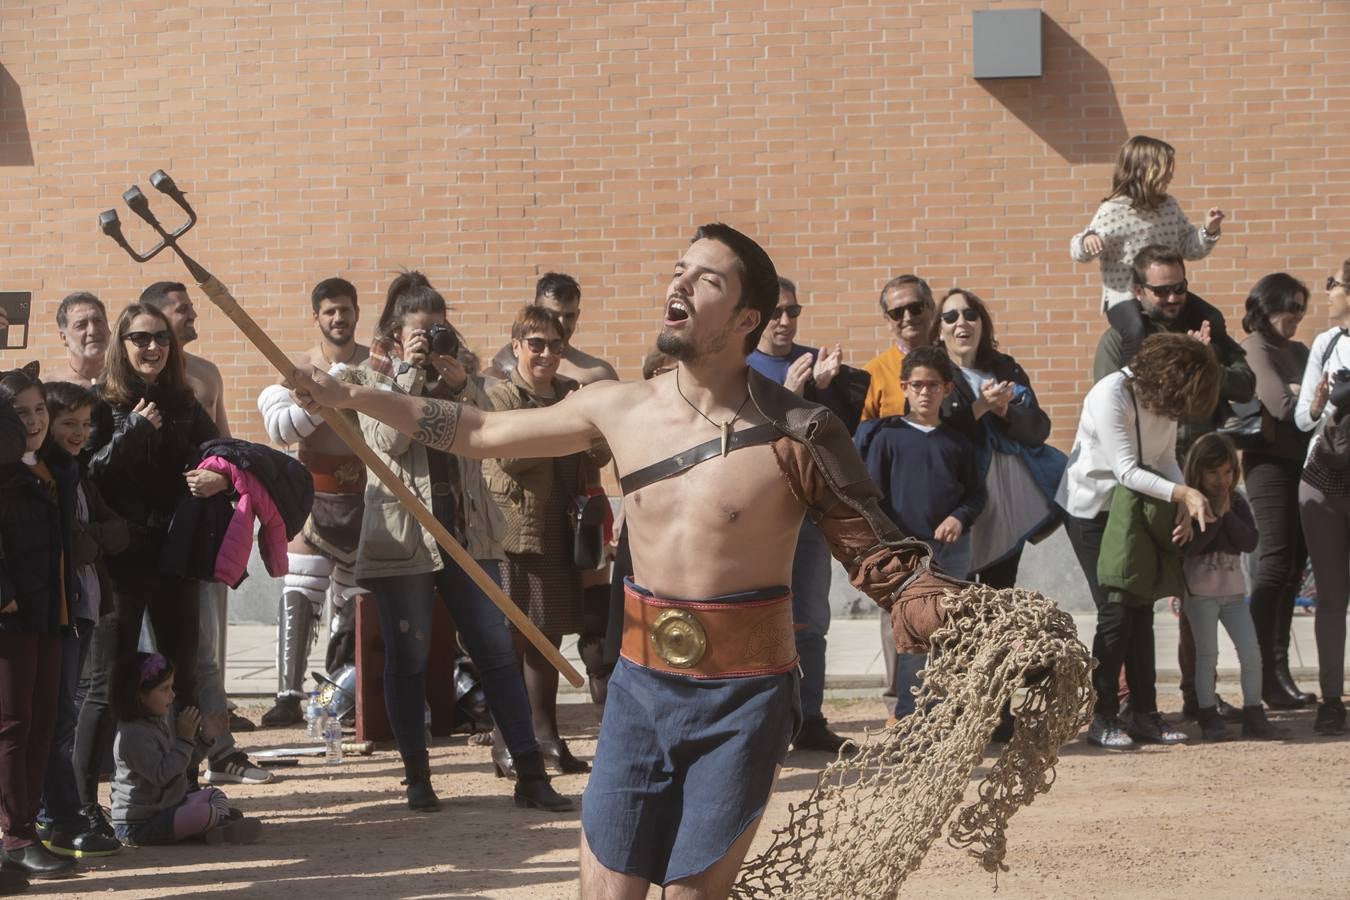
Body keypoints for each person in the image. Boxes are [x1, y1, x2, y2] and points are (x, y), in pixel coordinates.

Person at [287, 223, 959, 896]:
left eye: (707, 279)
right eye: (678, 270)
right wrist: (352, 396)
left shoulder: (802, 433)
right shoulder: (616, 407)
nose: (679, 284)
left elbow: (881, 559)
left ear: (747, 317)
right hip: (639, 690)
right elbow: (480, 430)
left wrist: (952, 615)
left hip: (746, 698)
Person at [354, 272, 570, 813]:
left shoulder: (462, 376)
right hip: (404, 539)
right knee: (409, 655)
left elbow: (483, 431)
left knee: (497, 651)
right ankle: (417, 779)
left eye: (440, 329)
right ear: (395, 334)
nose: (433, 340)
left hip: (470, 533)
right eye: (421, 332)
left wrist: (456, 386)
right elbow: (389, 440)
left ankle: (529, 774)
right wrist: (407, 372)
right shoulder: (370, 375)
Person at [1093, 244, 1256, 720]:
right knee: (1133, 590)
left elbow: (1245, 383)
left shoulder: (1207, 324)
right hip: (1143, 481)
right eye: (1161, 290)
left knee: (1194, 591)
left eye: (1179, 287)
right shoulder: (1121, 338)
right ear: (1138, 290)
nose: (1172, 298)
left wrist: (1208, 365)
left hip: (1194, 471)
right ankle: (1123, 698)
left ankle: (1196, 692)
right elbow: (1115, 407)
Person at [1057, 333, 1220, 749]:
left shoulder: (1166, 400)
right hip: (1094, 512)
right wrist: (1182, 495)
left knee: (1142, 609)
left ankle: (1145, 713)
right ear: (1168, 377)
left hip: (1137, 511)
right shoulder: (1110, 393)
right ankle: (1102, 714)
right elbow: (1127, 470)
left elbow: (1165, 459)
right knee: (1115, 611)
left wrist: (1181, 500)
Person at [139, 282, 270, 784]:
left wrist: (227, 485)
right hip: (153, 537)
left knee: (210, 647)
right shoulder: (131, 382)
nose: (193, 317)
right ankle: (165, 755)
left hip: (202, 531)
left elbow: (226, 447)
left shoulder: (205, 374)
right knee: (157, 649)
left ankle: (223, 751)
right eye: (183, 310)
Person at [86, 303, 220, 790]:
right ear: (122, 346)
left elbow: (217, 454)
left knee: (181, 670)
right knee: (109, 679)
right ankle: (87, 800)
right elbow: (89, 474)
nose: (153, 347)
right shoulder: (101, 402)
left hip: (173, 556)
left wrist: (216, 476)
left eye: (162, 338)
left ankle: (182, 782)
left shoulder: (183, 401)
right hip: (120, 561)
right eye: (141, 338)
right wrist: (133, 433)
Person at [485, 274, 619, 706]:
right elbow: (503, 453)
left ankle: (582, 720)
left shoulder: (592, 375)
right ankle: (518, 729)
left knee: (585, 620)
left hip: (580, 514)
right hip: (521, 521)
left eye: (568, 319)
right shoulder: (499, 379)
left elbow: (602, 453)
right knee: (521, 631)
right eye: (541, 336)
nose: (554, 337)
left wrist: (588, 427)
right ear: (519, 341)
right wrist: (568, 421)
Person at [256, 277, 371, 727]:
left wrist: (346, 386)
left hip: (369, 502)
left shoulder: (376, 367)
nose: (338, 318)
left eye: (345, 309)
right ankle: (287, 695)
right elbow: (280, 430)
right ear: (317, 317)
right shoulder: (298, 369)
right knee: (299, 593)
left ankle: (336, 696)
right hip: (314, 501)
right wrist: (322, 395)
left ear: (357, 312)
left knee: (356, 610)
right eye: (329, 311)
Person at [746, 277, 853, 754]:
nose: (786, 321)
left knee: (810, 620)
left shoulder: (814, 361)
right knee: (757, 620)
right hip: (758, 517)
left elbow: (838, 436)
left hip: (808, 516)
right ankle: (762, 723)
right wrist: (788, 392)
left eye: (794, 312)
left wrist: (828, 390)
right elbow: (746, 440)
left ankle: (808, 717)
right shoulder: (739, 364)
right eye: (778, 313)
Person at [855, 345, 985, 722]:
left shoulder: (959, 440)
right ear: (904, 387)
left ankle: (945, 714)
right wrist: (891, 545)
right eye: (917, 385)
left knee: (951, 627)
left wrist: (960, 517)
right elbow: (872, 497)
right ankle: (908, 716)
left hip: (951, 549)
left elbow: (977, 493)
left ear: (946, 388)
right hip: (906, 554)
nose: (924, 392)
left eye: (933, 385)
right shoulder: (886, 436)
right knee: (910, 634)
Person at [35, 382, 126, 860]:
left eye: (85, 424)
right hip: (59, 610)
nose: (78, 433)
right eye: (68, 423)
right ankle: (57, 816)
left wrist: (92, 536)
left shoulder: (78, 472)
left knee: (64, 712)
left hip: (86, 607)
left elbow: (117, 533)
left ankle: (56, 814)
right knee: (56, 718)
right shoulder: (46, 475)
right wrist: (91, 538)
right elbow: (79, 543)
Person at [0, 364, 78, 881]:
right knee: (12, 725)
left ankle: (25, 829)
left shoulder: (49, 468)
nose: (35, 421)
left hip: (52, 611)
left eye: (40, 409)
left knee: (44, 723)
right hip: (11, 614)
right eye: (20, 412)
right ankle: (14, 835)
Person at [932, 288, 1060, 589]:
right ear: (940, 330)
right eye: (950, 316)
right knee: (957, 600)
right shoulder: (933, 372)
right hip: (958, 505)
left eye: (970, 314)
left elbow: (1039, 429)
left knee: (999, 597)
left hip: (1006, 508)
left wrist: (1005, 412)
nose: (961, 322)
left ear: (982, 324)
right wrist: (982, 406)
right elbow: (937, 434)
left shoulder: (1005, 367)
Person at [1070, 135, 1228, 365]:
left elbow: (1188, 247)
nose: (1171, 177)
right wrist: (1088, 241)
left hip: (1167, 289)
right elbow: (1077, 247)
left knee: (1213, 317)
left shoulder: (1168, 206)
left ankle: (1220, 368)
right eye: (1166, 171)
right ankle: (1128, 384)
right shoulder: (1113, 210)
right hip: (1124, 294)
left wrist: (1208, 231)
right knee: (1135, 330)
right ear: (1144, 171)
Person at [1239, 273, 1318, 709]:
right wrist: (1304, 395)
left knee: (1293, 566)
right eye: (1291, 308)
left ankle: (1279, 672)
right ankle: (1262, 672)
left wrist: (1304, 395)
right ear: (1267, 307)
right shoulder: (1256, 348)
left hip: (1305, 464)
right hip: (1269, 465)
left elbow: (1314, 404)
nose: (1297, 318)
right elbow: (1284, 407)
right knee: (1273, 563)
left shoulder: (1300, 351)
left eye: (1301, 310)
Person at [1179, 433, 1281, 741]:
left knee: (1251, 652)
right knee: (1206, 656)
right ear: (1198, 471)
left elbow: (1249, 541)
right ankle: (1208, 715)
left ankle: (1254, 713)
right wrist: (1215, 520)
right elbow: (1192, 547)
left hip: (1234, 593)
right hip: (1200, 594)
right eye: (1213, 473)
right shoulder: (1190, 502)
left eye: (1226, 472)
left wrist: (1226, 515)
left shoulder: (1235, 500)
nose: (1221, 480)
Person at [110, 652, 262, 847]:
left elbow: (181, 764)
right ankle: (213, 826)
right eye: (164, 689)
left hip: (167, 808)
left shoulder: (155, 722)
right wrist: (184, 738)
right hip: (139, 824)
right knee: (206, 813)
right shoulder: (133, 734)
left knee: (215, 796)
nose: (172, 695)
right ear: (140, 694)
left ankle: (213, 827)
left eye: (171, 687)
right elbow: (163, 775)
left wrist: (205, 738)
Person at [1294, 259, 1350, 736]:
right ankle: (1331, 700)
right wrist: (1317, 403)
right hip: (1323, 476)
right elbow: (1300, 421)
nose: (1328, 291)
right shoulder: (1326, 343)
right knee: (1331, 597)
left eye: (1334, 284)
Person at [860, 274, 935, 422]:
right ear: (888, 321)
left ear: (931, 308)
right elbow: (862, 435)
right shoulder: (873, 373)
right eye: (897, 313)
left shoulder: (955, 360)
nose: (908, 317)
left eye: (915, 308)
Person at [54, 292, 111, 387]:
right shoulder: (51, 389)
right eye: (81, 325)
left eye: (98, 321)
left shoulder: (127, 382)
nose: (93, 331)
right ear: (64, 337)